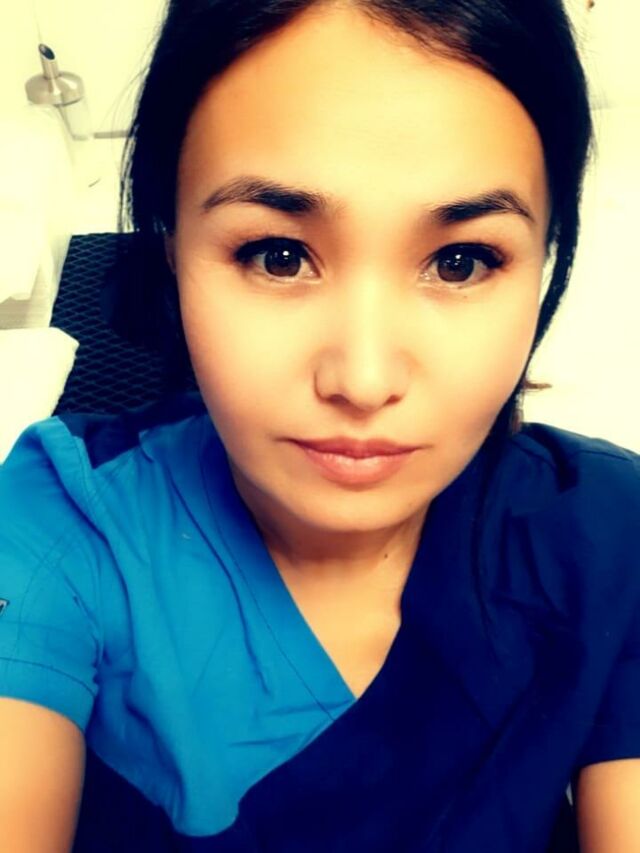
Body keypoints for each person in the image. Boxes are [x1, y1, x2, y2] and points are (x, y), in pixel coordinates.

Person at [1, 0, 639, 850]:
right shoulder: (62, 526)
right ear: (172, 250)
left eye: (461, 262)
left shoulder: (608, 532)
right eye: (278, 255)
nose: (364, 380)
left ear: (544, 262)